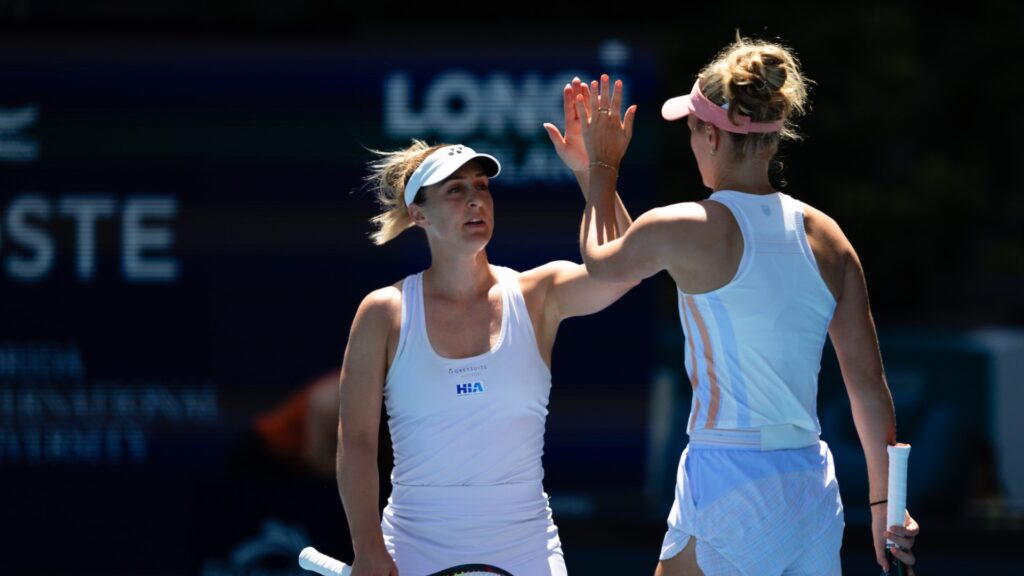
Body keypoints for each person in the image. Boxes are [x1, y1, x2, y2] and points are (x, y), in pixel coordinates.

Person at [572, 37, 919, 575]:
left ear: (711, 134)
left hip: (726, 478)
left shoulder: (680, 225)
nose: (691, 142)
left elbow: (601, 263)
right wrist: (883, 508)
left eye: (691, 128)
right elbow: (869, 387)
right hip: (813, 491)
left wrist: (600, 166)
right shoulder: (828, 236)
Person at [336, 79, 637, 576]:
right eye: (456, 190)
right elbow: (357, 441)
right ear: (420, 215)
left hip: (526, 551)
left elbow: (628, 268)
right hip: (412, 549)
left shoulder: (538, 294)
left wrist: (592, 172)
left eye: (481, 186)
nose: (476, 200)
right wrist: (368, 547)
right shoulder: (383, 312)